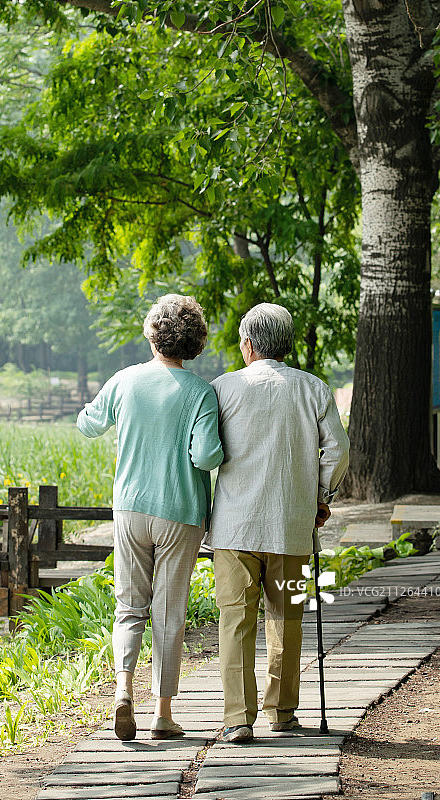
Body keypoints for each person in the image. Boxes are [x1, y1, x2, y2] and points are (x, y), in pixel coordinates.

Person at [77, 294, 223, 741]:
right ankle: (162, 713)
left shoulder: (124, 381)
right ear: (195, 341)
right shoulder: (201, 392)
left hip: (130, 507)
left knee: (129, 606)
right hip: (181, 512)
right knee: (168, 611)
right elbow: (207, 455)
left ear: (152, 333)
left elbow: (88, 424)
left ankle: (123, 690)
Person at [206, 302, 349, 743]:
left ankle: (237, 719)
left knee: (235, 620)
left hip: (234, 527)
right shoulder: (313, 389)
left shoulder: (222, 389)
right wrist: (321, 498)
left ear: (248, 345)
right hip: (291, 525)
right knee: (286, 617)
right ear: (285, 346)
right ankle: (282, 712)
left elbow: (204, 452)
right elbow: (338, 450)